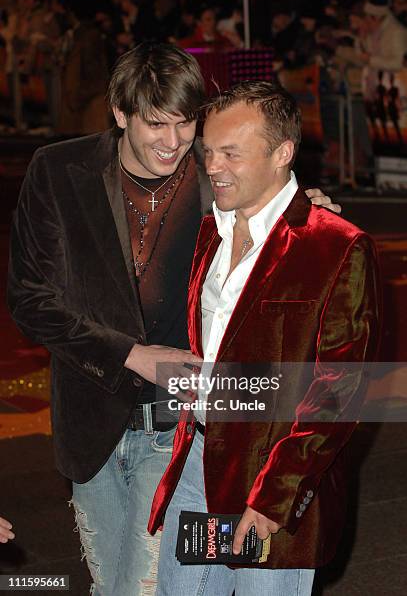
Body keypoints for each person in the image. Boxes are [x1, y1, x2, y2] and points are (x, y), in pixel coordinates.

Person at [7, 42, 339, 596]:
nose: (174, 142)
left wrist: (310, 210)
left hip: (180, 426)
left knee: (149, 588)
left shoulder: (215, 177)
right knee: (113, 586)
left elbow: (277, 210)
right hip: (91, 425)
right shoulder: (59, 170)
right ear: (120, 114)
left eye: (186, 124)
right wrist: (130, 355)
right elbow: (29, 298)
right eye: (157, 125)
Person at [148, 81, 381, 595]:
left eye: (232, 153)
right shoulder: (208, 231)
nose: (213, 166)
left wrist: (275, 497)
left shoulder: (335, 246)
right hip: (198, 468)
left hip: (269, 486)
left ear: (282, 153)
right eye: (208, 151)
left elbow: (337, 390)